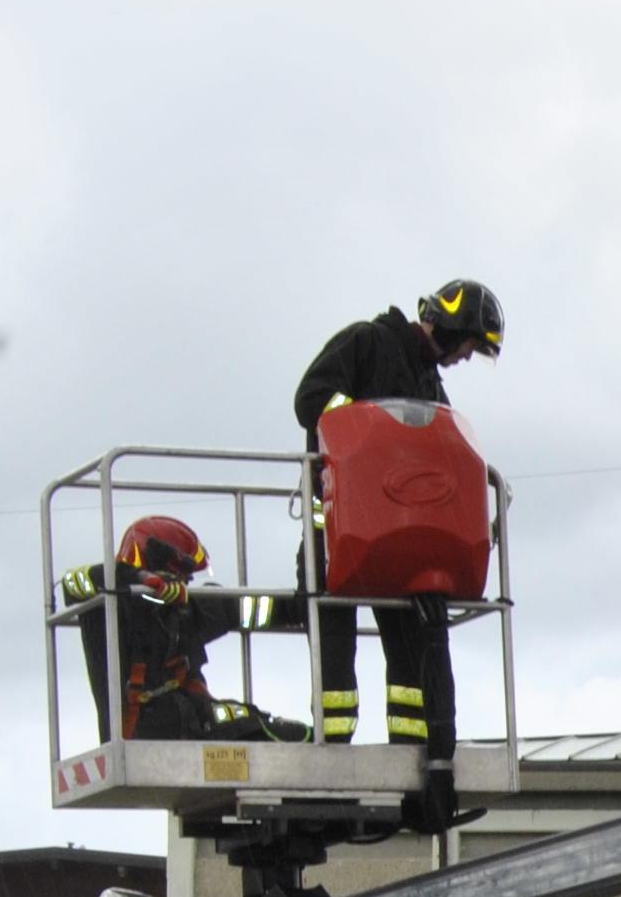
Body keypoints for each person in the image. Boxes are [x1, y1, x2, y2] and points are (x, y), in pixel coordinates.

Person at [291, 279, 502, 799]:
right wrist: (365, 421)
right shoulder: (367, 343)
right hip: (337, 538)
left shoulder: (431, 385)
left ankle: (413, 763)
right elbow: (311, 400)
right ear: (452, 325)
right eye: (470, 344)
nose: (466, 357)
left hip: (403, 546)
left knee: (413, 664)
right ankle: (330, 766)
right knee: (335, 668)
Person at [55, 516, 308, 744]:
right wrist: (142, 580)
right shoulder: (106, 610)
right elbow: (74, 582)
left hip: (192, 722)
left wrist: (307, 606)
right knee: (273, 734)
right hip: (144, 733)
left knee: (290, 734)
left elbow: (244, 607)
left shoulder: (184, 608)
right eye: (181, 576)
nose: (185, 584)